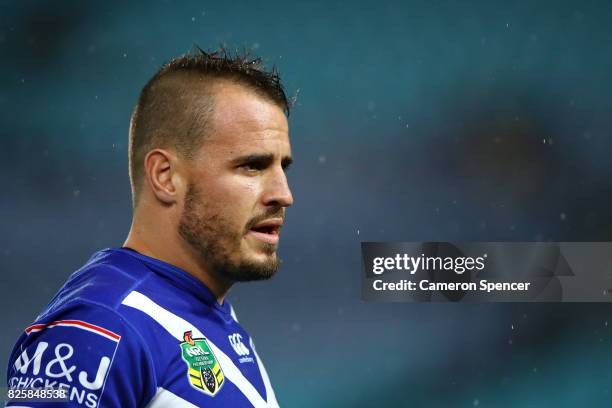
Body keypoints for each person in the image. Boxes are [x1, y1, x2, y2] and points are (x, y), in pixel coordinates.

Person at [6, 48, 293, 407]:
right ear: (165, 177)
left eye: (283, 167)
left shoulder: (210, 313)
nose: (283, 194)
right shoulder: (98, 326)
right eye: (253, 166)